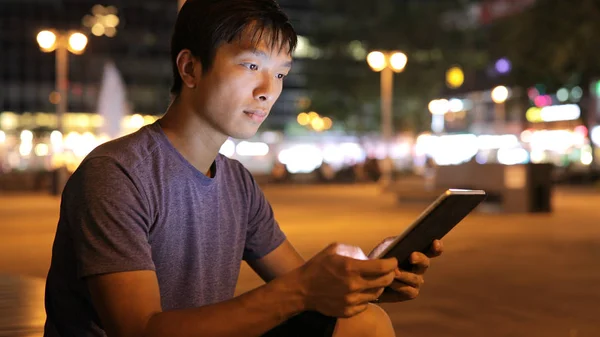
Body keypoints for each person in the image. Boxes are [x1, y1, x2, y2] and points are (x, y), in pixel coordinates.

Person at [43, 0, 444, 336]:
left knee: (363, 322)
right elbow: (140, 330)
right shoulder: (117, 174)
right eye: (252, 66)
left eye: (281, 73)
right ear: (190, 69)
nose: (268, 90)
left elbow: (303, 283)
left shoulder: (237, 182)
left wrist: (362, 285)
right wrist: (304, 290)